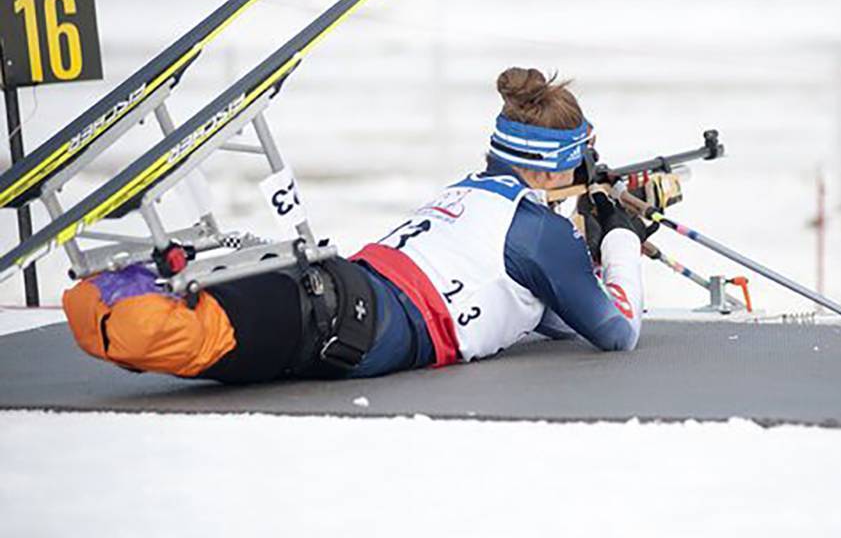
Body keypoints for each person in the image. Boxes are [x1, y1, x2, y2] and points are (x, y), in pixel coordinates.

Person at [61, 67, 647, 383]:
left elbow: (543, 310)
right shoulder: (541, 232)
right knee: (172, 331)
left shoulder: (465, 192)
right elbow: (616, 331)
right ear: (548, 173)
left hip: (341, 285)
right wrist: (620, 237)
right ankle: (130, 302)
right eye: (578, 162)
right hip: (353, 323)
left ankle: (124, 281)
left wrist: (585, 258)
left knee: (170, 315)